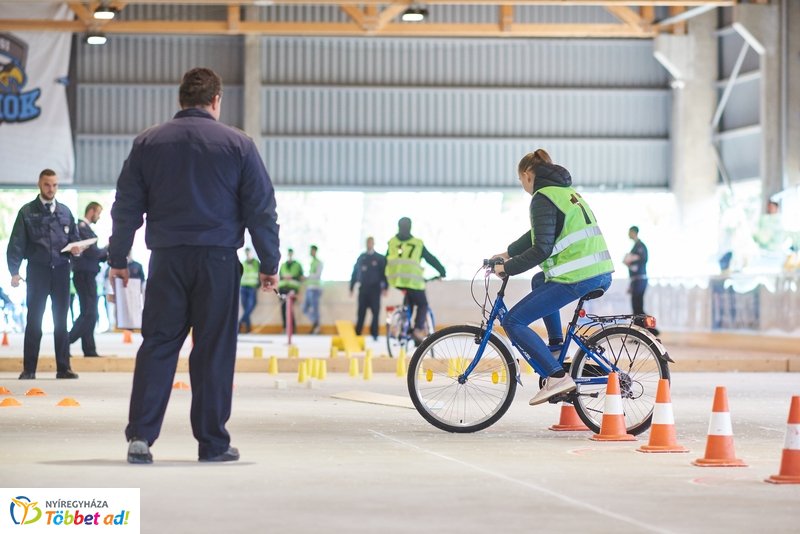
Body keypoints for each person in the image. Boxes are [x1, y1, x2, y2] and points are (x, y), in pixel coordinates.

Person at [108, 67, 280, 464]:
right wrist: (269, 262)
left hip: (167, 260)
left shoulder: (148, 142)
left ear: (180, 100)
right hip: (218, 262)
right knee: (214, 351)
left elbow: (127, 206)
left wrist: (118, 258)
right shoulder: (239, 144)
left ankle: (141, 439)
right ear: (216, 100)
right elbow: (261, 210)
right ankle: (213, 443)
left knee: (159, 346)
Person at [490, 149, 614, 406]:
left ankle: (557, 377)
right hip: (599, 272)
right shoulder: (565, 193)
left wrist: (508, 268)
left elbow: (541, 248)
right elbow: (537, 232)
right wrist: (506, 253)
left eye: (520, 181)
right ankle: (556, 347)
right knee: (539, 281)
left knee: (514, 322)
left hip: (578, 276)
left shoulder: (542, 197)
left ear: (526, 175)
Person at [6, 169, 82, 380]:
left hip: (61, 271)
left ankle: (63, 368)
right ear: (40, 184)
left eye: (55, 185)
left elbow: (74, 240)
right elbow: (16, 244)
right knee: (34, 321)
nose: (51, 189)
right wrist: (14, 271)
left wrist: (76, 250)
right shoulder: (27, 212)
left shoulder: (66, 212)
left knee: (61, 321)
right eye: (48, 184)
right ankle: (29, 369)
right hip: (37, 271)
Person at [385, 217, 446, 344]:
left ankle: (402, 327)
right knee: (423, 304)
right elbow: (430, 259)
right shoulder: (417, 243)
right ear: (410, 227)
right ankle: (417, 329)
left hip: (396, 281)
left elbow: (386, 261)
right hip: (413, 281)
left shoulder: (392, 242)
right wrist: (442, 271)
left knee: (410, 303)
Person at [68, 202, 108, 357]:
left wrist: (105, 253)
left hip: (87, 274)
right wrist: (107, 248)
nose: (99, 216)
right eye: (98, 213)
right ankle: (65, 342)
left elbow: (96, 255)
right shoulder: (81, 228)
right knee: (90, 312)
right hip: (83, 274)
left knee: (89, 311)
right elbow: (92, 253)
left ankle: (89, 349)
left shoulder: (86, 228)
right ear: (91, 211)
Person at [350, 237, 387, 341]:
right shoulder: (361, 257)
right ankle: (358, 333)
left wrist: (385, 287)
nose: (369, 244)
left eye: (371, 242)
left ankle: (375, 334)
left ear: (373, 243)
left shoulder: (380, 258)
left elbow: (383, 274)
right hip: (363, 289)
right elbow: (355, 272)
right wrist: (352, 286)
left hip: (375, 290)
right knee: (361, 312)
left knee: (375, 313)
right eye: (367, 242)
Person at [278, 248, 303, 332]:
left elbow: (301, 277)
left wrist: (292, 277)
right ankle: (285, 327)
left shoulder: (298, 265)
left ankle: (292, 328)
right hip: (282, 289)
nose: (290, 255)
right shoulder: (283, 265)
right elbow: (279, 276)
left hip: (292, 289)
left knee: (289, 309)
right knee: (283, 309)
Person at [302, 245, 323, 334]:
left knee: (315, 309)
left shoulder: (319, 262)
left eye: (312, 251)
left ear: (315, 251)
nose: (311, 252)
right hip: (309, 288)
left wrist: (307, 277)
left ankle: (316, 326)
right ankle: (315, 323)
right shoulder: (312, 262)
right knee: (304, 308)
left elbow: (317, 275)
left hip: (315, 289)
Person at [239, 247, 260, 333]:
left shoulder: (256, 263)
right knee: (246, 308)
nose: (248, 254)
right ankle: (247, 329)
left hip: (252, 287)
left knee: (251, 306)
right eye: (246, 253)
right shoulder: (243, 263)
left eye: (249, 253)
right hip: (243, 287)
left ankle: (239, 323)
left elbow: (259, 273)